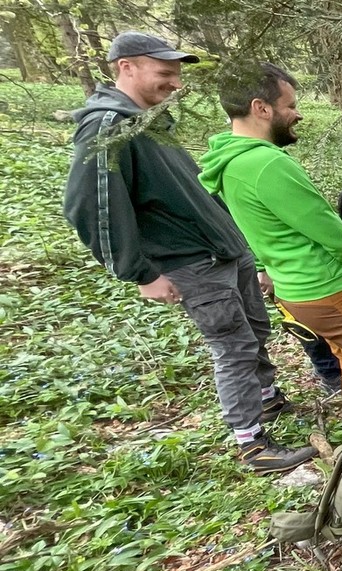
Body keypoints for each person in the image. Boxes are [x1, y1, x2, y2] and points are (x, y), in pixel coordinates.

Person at [61, 33, 313, 475]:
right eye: (164, 73)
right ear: (126, 67)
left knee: (253, 329)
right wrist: (139, 273)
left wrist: (246, 249)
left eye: (176, 74)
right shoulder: (108, 126)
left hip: (225, 249)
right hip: (190, 260)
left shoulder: (152, 120)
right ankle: (253, 445)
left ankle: (268, 402)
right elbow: (91, 205)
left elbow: (194, 192)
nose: (175, 84)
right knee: (232, 346)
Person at [200, 62, 342, 419]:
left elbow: (253, 227)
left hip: (297, 291)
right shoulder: (266, 164)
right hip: (331, 288)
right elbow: (326, 229)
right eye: (290, 105)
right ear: (260, 108)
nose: (298, 115)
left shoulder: (229, 161)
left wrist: (265, 266)